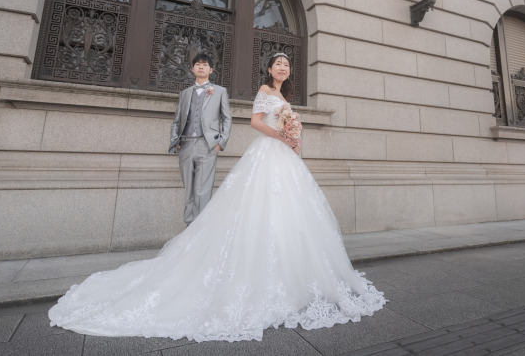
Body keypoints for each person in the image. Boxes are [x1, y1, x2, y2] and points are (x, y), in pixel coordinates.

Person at [48, 52, 385, 341]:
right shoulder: (265, 91)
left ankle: (294, 277)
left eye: (286, 65)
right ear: (269, 69)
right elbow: (254, 122)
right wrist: (282, 134)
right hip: (269, 152)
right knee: (260, 208)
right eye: (278, 63)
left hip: (284, 155)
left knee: (288, 214)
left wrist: (293, 136)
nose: (282, 67)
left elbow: (283, 124)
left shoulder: (283, 96)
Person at [169, 53, 232, 224]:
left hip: (208, 145)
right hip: (186, 144)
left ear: (211, 70)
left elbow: (227, 118)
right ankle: (189, 230)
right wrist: (175, 142)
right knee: (189, 189)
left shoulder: (219, 91)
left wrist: (220, 143)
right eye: (197, 64)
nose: (201, 67)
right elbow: (176, 121)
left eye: (205, 64)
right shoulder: (184, 93)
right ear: (192, 69)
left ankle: (200, 232)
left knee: (202, 191)